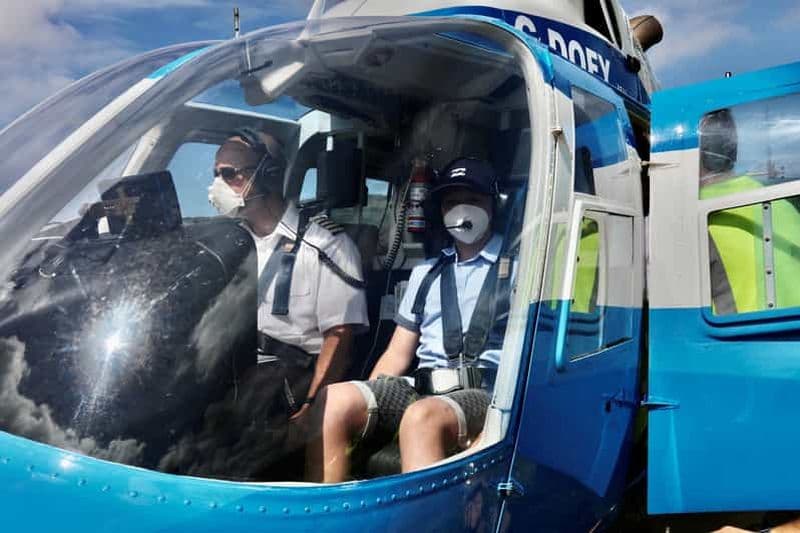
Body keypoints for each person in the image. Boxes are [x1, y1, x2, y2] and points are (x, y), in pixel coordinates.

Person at [307, 157, 511, 482]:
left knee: (421, 418)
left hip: (486, 391)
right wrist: (371, 394)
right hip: (424, 386)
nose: (461, 210)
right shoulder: (426, 273)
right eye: (451, 202)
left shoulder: (519, 266)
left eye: (472, 200)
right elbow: (397, 354)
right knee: (334, 400)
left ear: (495, 204)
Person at [208, 128, 369, 420]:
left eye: (230, 174)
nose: (217, 185)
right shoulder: (225, 247)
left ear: (267, 174)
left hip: (290, 378)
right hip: (235, 369)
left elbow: (339, 336)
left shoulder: (326, 244)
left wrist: (311, 404)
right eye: (216, 174)